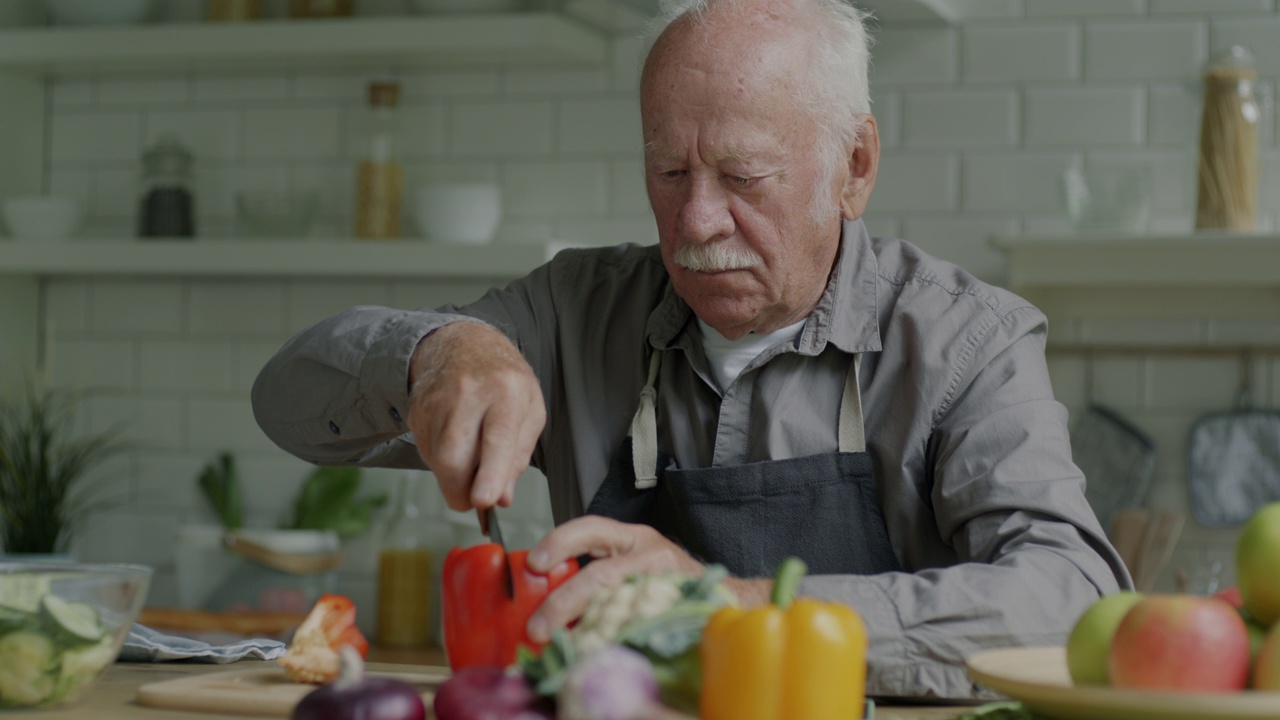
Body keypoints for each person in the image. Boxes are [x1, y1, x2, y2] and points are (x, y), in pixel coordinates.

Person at [252, 0, 1130, 699]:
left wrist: (736, 609)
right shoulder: (573, 313)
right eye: (669, 173)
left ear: (854, 166)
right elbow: (287, 403)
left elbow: (1069, 600)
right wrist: (435, 352)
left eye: (744, 177)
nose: (697, 221)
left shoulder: (965, 341)